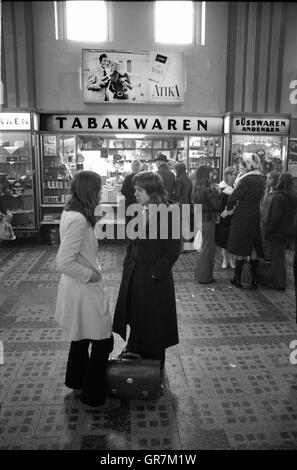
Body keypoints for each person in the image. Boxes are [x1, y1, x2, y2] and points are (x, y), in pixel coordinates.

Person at [54, 170, 120, 411]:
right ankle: (94, 398)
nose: (102, 192)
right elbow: (63, 261)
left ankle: (76, 383)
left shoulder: (72, 212)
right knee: (102, 340)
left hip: (77, 288)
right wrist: (90, 275)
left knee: (80, 336)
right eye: (99, 188)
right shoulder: (79, 220)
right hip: (83, 287)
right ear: (90, 191)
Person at [113, 171, 180, 373]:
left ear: (151, 191)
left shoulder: (169, 213)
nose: (135, 193)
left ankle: (153, 369)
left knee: (154, 323)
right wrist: (127, 264)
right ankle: (136, 355)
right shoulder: (140, 210)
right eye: (135, 189)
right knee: (136, 317)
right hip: (135, 273)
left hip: (153, 278)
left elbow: (172, 250)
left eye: (139, 190)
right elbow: (132, 241)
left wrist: (154, 274)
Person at [222, 153, 265, 288]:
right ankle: (254, 279)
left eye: (243, 164)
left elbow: (233, 198)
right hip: (255, 214)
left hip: (243, 215)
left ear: (248, 165)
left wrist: (228, 210)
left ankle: (238, 278)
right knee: (253, 245)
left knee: (241, 246)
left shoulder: (246, 180)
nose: (240, 167)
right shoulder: (261, 178)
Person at [264, 172, 297, 290]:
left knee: (277, 258)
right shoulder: (292, 195)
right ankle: (278, 280)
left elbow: (275, 216)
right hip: (288, 229)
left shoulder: (278, 197)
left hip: (277, 231)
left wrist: (269, 230)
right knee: (281, 256)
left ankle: (280, 283)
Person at [192, 165, 222, 283]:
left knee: (204, 248)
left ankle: (200, 273)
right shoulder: (207, 189)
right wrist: (219, 194)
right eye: (210, 173)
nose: (211, 174)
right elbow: (216, 206)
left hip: (200, 219)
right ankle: (204, 277)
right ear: (205, 174)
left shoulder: (196, 187)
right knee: (207, 250)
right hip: (208, 221)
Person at [215, 166, 236, 269]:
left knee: (232, 239)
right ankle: (225, 259)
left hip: (234, 217)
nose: (234, 176)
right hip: (223, 216)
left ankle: (232, 259)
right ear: (227, 175)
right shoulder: (220, 187)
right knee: (224, 238)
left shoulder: (236, 187)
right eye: (232, 174)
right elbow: (217, 203)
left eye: (235, 174)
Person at [260, 170, 280, 261]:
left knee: (270, 247)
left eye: (269, 178)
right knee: (263, 244)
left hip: (270, 223)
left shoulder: (277, 194)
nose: (267, 180)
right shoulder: (266, 192)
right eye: (267, 178)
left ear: (275, 180)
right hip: (262, 222)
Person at [174, 162, 193, 251]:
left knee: (180, 226)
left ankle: (181, 248)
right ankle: (187, 247)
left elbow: (177, 194)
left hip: (180, 204)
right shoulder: (188, 179)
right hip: (187, 203)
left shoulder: (178, 180)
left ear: (178, 170)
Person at [121, 159, 142, 225]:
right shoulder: (144, 178)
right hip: (140, 203)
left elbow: (123, 191)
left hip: (129, 203)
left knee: (129, 222)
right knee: (139, 223)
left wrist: (129, 196)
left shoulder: (128, 178)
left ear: (132, 167)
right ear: (140, 167)